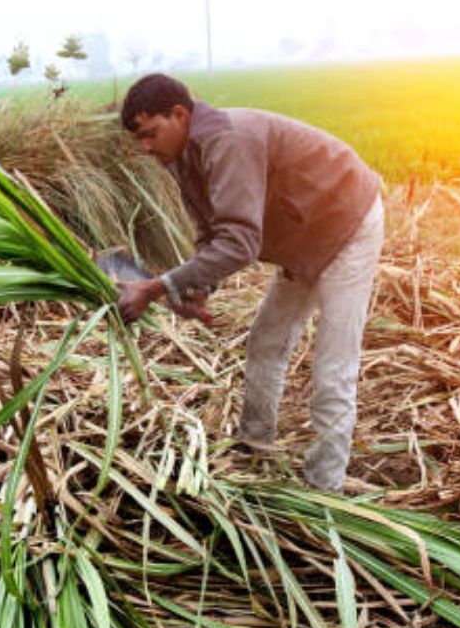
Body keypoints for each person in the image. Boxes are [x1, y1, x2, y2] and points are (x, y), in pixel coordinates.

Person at [117, 73, 384, 493]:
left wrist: (156, 288)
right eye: (140, 140)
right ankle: (255, 447)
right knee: (265, 341)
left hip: (345, 222)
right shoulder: (182, 155)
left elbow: (240, 243)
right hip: (302, 234)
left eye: (150, 134)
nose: (145, 148)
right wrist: (198, 286)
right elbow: (212, 231)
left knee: (333, 368)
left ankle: (325, 487)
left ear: (180, 114)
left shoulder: (227, 140)